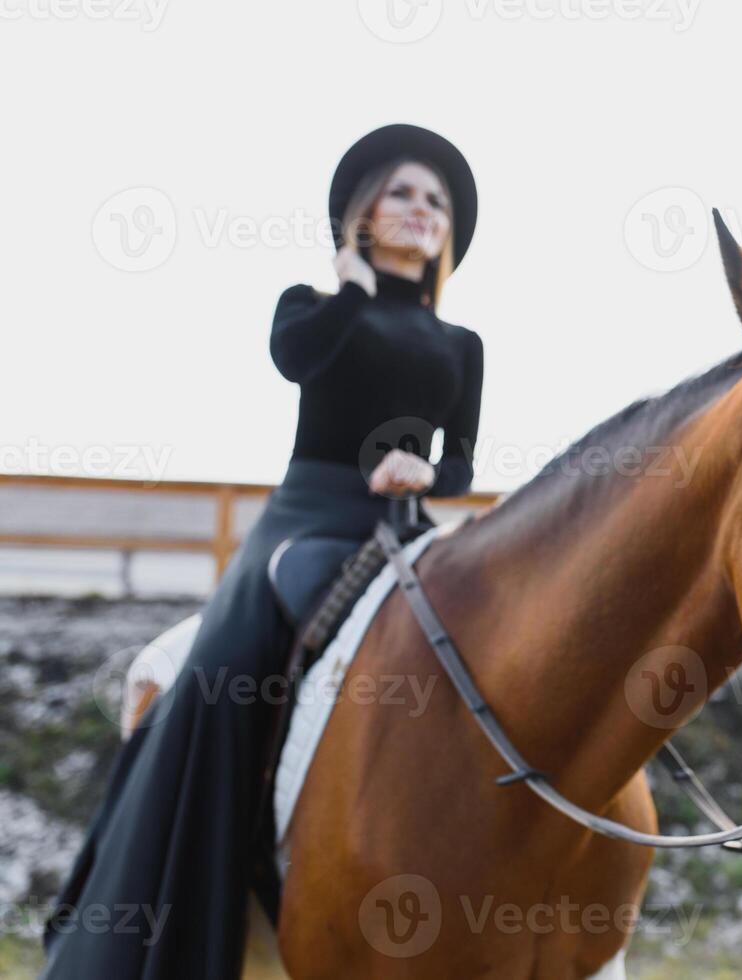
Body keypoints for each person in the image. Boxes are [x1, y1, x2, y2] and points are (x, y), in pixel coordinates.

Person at [41, 123, 484, 979]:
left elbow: (459, 461)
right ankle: (193, 875)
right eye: (403, 193)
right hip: (308, 519)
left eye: (437, 202)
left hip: (405, 527)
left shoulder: (461, 345)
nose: (423, 211)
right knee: (228, 665)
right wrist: (350, 290)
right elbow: (295, 361)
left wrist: (422, 468)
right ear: (363, 213)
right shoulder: (312, 307)